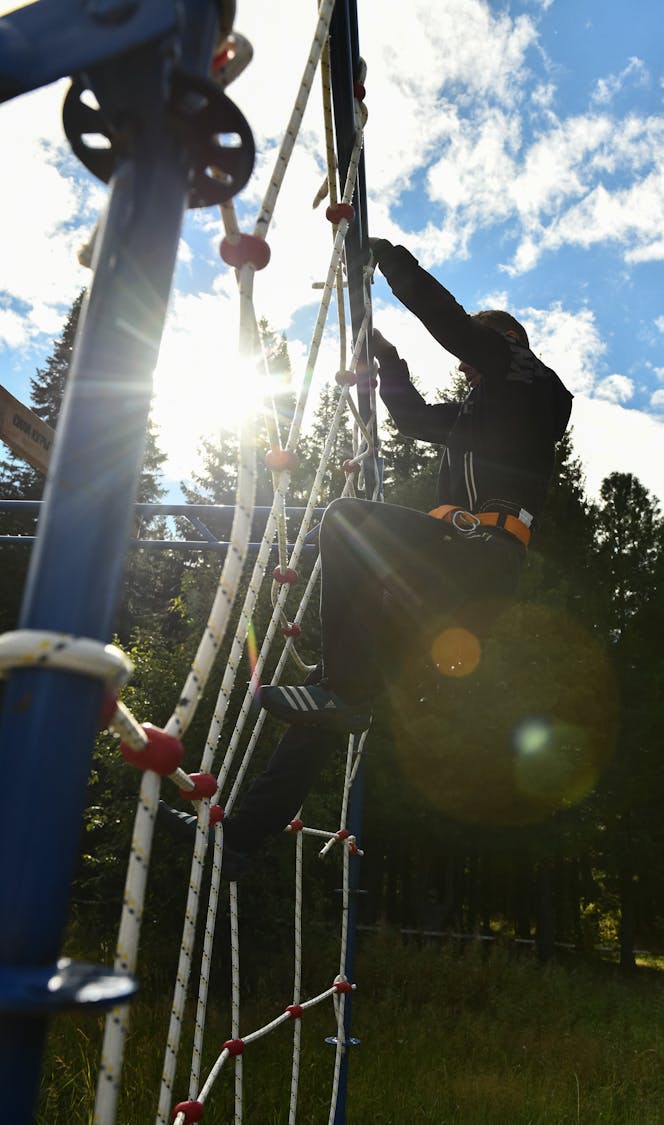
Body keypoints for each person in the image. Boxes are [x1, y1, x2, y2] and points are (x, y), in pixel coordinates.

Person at [160, 238, 573, 871]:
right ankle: (242, 840)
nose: (466, 373)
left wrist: (389, 259)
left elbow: (456, 326)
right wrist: (388, 362)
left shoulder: (530, 380)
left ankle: (340, 689)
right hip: (455, 571)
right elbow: (411, 419)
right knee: (328, 711)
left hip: (479, 554)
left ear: (504, 347)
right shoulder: (479, 414)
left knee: (348, 520)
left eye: (474, 360)